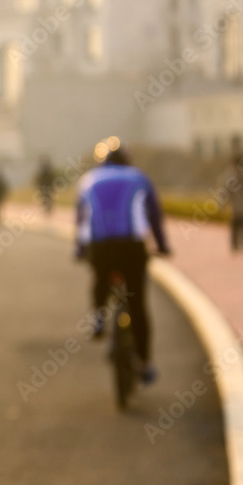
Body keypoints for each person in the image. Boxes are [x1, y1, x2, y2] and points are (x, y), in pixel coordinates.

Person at [75, 141, 170, 386]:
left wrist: (79, 249)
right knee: (138, 305)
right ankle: (145, 364)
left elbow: (81, 218)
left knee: (100, 278)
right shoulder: (138, 177)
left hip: (100, 246)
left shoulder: (88, 180)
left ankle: (98, 315)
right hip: (131, 247)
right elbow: (154, 216)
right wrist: (162, 245)